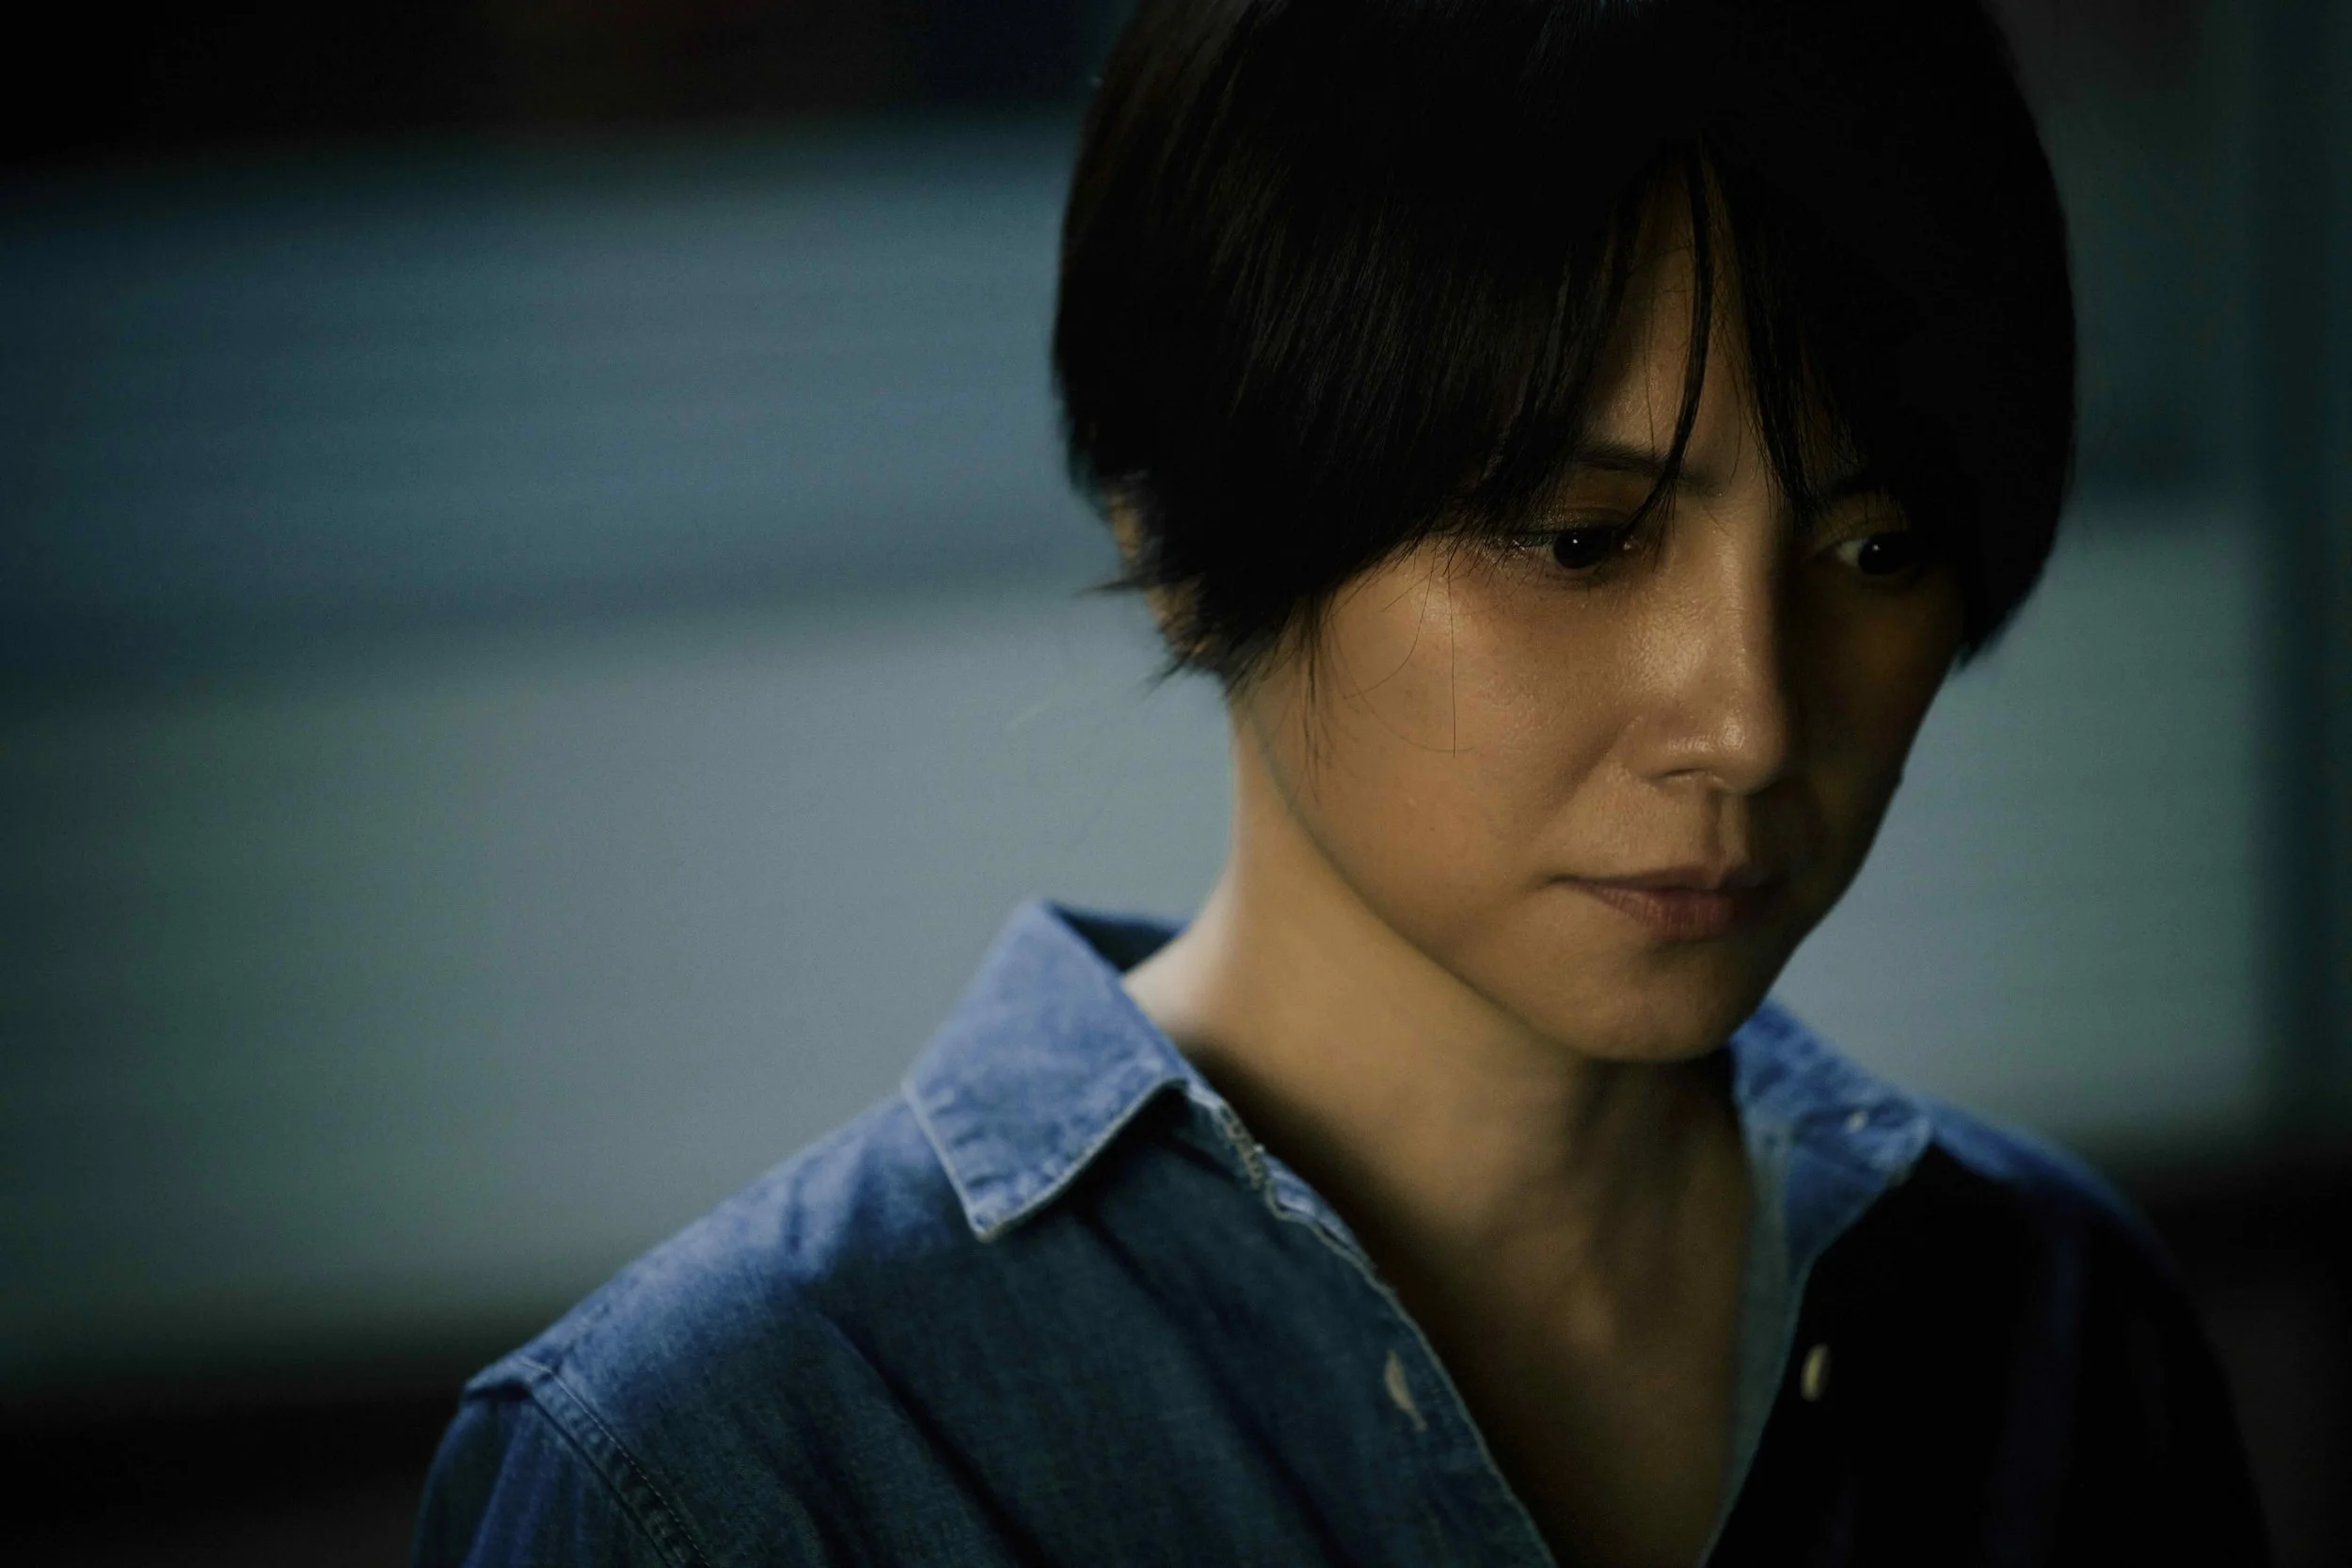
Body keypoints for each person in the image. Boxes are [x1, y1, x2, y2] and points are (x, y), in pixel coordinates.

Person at [414, 2, 2268, 1563]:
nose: (1751, 720)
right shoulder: (720, 1463)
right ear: (1175, 521)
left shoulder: (2043, 1318)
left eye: (1872, 551)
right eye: (1575, 538)